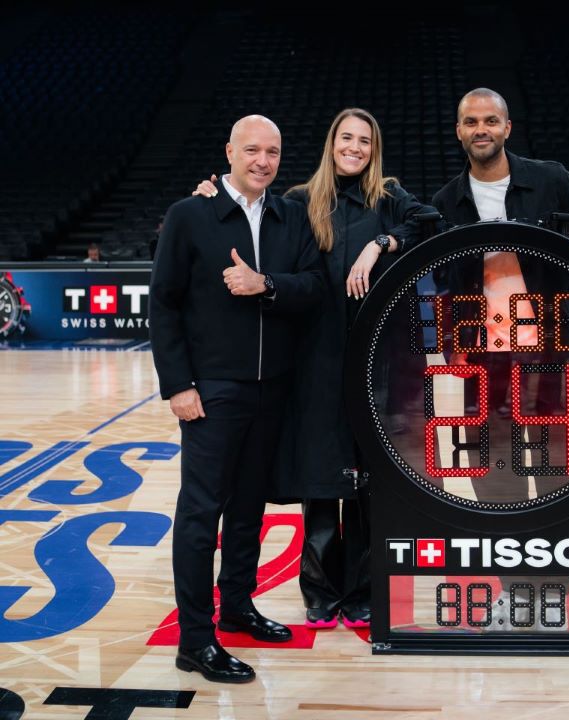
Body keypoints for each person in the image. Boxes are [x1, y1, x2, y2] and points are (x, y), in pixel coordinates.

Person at [195, 108, 435, 630]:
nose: (355, 148)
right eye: (346, 138)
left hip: (377, 361)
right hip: (315, 361)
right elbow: (251, 214)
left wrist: (380, 242)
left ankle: (365, 590)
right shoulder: (301, 202)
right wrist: (213, 197)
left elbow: (432, 223)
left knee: (370, 482)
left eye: (365, 141)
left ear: (374, 150)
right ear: (331, 143)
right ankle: (321, 589)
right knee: (322, 479)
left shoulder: (389, 199)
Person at [431, 87, 569, 629]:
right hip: (480, 354)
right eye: (471, 121)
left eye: (491, 120)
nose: (481, 129)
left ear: (507, 127)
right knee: (496, 466)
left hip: (548, 347)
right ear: (459, 131)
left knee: (557, 459)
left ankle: (553, 579)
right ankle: (514, 584)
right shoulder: (445, 201)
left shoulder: (550, 178)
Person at [150, 115, 323, 683]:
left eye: (272, 151)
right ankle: (195, 640)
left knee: (249, 509)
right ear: (229, 151)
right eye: (251, 150)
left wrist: (265, 283)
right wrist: (177, 385)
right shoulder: (189, 215)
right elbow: (164, 306)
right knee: (201, 515)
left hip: (271, 389)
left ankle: (238, 608)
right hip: (211, 392)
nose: (262, 161)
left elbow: (313, 288)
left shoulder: (289, 215)